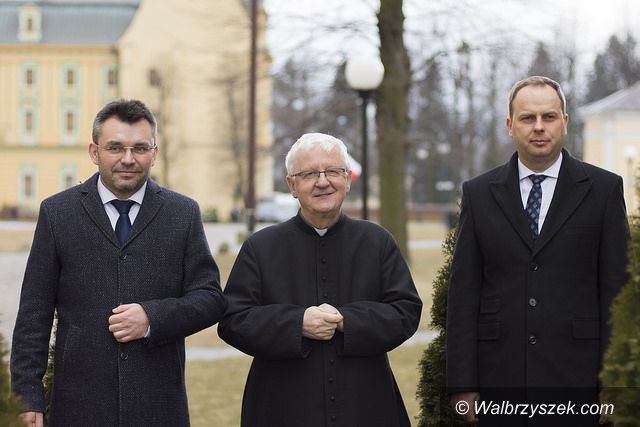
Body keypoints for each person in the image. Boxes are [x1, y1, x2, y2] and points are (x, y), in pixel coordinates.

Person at [11, 99, 226, 427]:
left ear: (154, 153)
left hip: (158, 407)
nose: (128, 159)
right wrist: (27, 397)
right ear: (94, 152)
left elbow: (210, 299)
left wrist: (152, 318)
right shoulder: (57, 213)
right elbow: (33, 315)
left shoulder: (183, 214)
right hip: (78, 408)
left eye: (139, 148)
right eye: (115, 147)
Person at [446, 76, 629, 426]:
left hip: (580, 380)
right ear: (510, 125)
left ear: (565, 122)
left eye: (549, 116)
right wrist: (462, 384)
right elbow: (464, 295)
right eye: (528, 118)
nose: (539, 127)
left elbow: (617, 294)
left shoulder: (604, 190)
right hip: (501, 378)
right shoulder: (479, 194)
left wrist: (615, 383)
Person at [218, 133, 422, 427]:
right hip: (282, 408)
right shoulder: (260, 248)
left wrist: (347, 320)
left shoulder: (377, 242)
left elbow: (406, 312)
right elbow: (233, 321)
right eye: (310, 174)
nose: (323, 181)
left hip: (366, 405)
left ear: (347, 180)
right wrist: (297, 323)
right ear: (292, 185)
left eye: (333, 171)